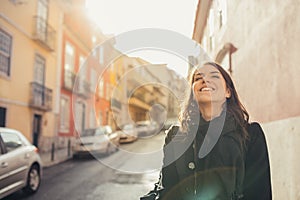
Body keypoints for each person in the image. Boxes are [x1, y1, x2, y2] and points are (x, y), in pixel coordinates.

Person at [141, 61, 272, 200]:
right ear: (192, 92)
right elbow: (168, 190)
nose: (205, 80)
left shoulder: (251, 134)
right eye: (198, 78)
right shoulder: (176, 136)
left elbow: (260, 194)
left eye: (214, 76)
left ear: (228, 91)